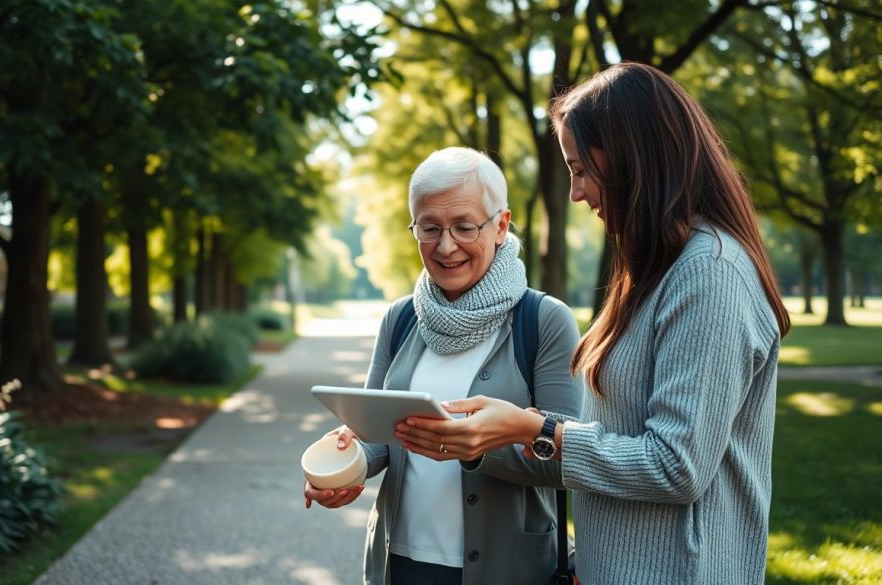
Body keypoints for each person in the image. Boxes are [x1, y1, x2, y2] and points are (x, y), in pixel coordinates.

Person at [395, 63, 791, 585]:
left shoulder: (711, 273)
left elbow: (676, 465)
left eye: (580, 168)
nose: (576, 192)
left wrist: (533, 427)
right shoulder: (660, 269)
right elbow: (619, 438)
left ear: (631, 156)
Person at [304, 146, 583, 585]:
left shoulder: (544, 320)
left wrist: (476, 445)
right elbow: (380, 437)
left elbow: (566, 460)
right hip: (399, 564)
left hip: (506, 569)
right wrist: (347, 464)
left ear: (501, 225)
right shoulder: (401, 319)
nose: (445, 245)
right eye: (429, 228)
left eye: (464, 226)